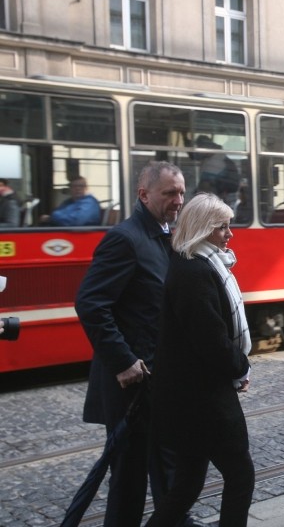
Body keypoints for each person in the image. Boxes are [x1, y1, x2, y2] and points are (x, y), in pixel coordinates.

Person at [74, 162, 191, 526]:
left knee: (168, 467)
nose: (178, 200)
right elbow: (91, 303)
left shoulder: (166, 234)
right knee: (129, 477)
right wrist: (123, 361)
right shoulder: (125, 238)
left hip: (161, 380)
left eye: (181, 192)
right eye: (170, 193)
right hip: (132, 384)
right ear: (144, 194)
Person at [146, 193, 254, 527]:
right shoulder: (195, 272)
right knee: (240, 474)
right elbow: (211, 340)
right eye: (222, 227)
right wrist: (240, 366)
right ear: (202, 229)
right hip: (203, 400)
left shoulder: (196, 265)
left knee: (187, 484)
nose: (229, 234)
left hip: (189, 399)